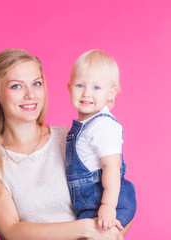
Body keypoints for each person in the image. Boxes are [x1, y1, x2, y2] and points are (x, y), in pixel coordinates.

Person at [0, 48, 130, 239]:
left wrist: (108, 231)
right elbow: (11, 231)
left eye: (36, 83)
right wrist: (86, 229)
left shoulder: (71, 138)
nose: (30, 95)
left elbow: (121, 195)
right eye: (16, 86)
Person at [66, 49, 136, 231]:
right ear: (69, 88)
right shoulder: (86, 124)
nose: (86, 93)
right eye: (80, 85)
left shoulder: (102, 125)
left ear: (110, 94)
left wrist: (108, 206)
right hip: (91, 205)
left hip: (105, 202)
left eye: (96, 88)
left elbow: (112, 167)